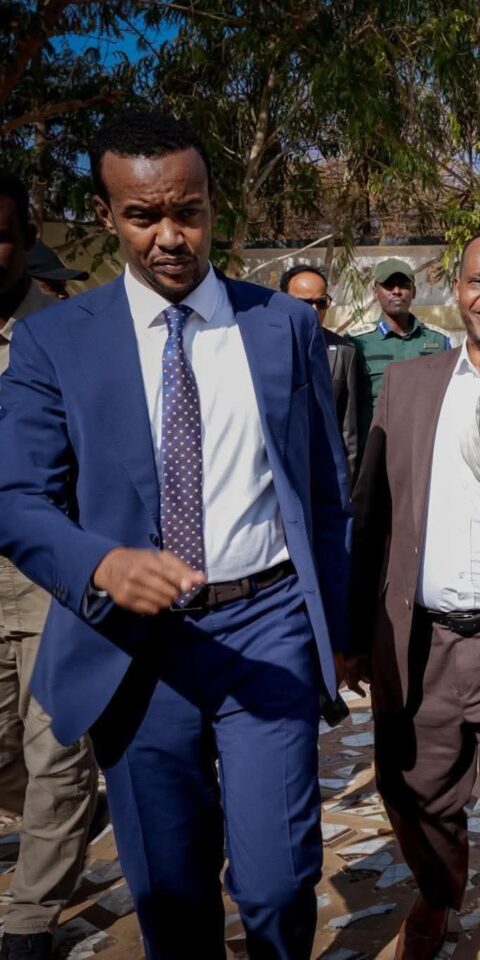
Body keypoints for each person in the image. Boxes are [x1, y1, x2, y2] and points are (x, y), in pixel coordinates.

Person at [0, 112, 350, 959]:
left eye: (187, 212)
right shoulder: (54, 340)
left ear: (212, 204)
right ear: (106, 214)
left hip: (265, 626)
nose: (169, 237)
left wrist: (338, 631)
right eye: (142, 216)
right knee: (170, 891)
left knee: (277, 883)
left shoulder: (283, 325)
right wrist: (101, 564)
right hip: (133, 648)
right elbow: (15, 496)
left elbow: (324, 493)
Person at [345, 227, 480, 960]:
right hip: (422, 642)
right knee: (411, 791)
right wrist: (354, 635)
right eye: (478, 280)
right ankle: (438, 891)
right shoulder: (410, 385)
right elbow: (371, 516)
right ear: (457, 290)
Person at [0, 169, 104, 960]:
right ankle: (76, 813)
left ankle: (28, 923)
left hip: (49, 575)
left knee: (56, 748)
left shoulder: (72, 336)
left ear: (26, 238)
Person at [349, 258, 449, 440]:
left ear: (414, 291)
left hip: (423, 443)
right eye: (389, 286)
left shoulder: (438, 340)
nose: (396, 291)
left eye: (403, 285)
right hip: (377, 446)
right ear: (375, 292)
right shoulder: (357, 342)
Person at [280, 264, 361, 481]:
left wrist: (346, 486)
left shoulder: (343, 351)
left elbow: (348, 430)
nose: (314, 310)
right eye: (304, 303)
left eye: (321, 303)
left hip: (323, 478)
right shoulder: (262, 349)